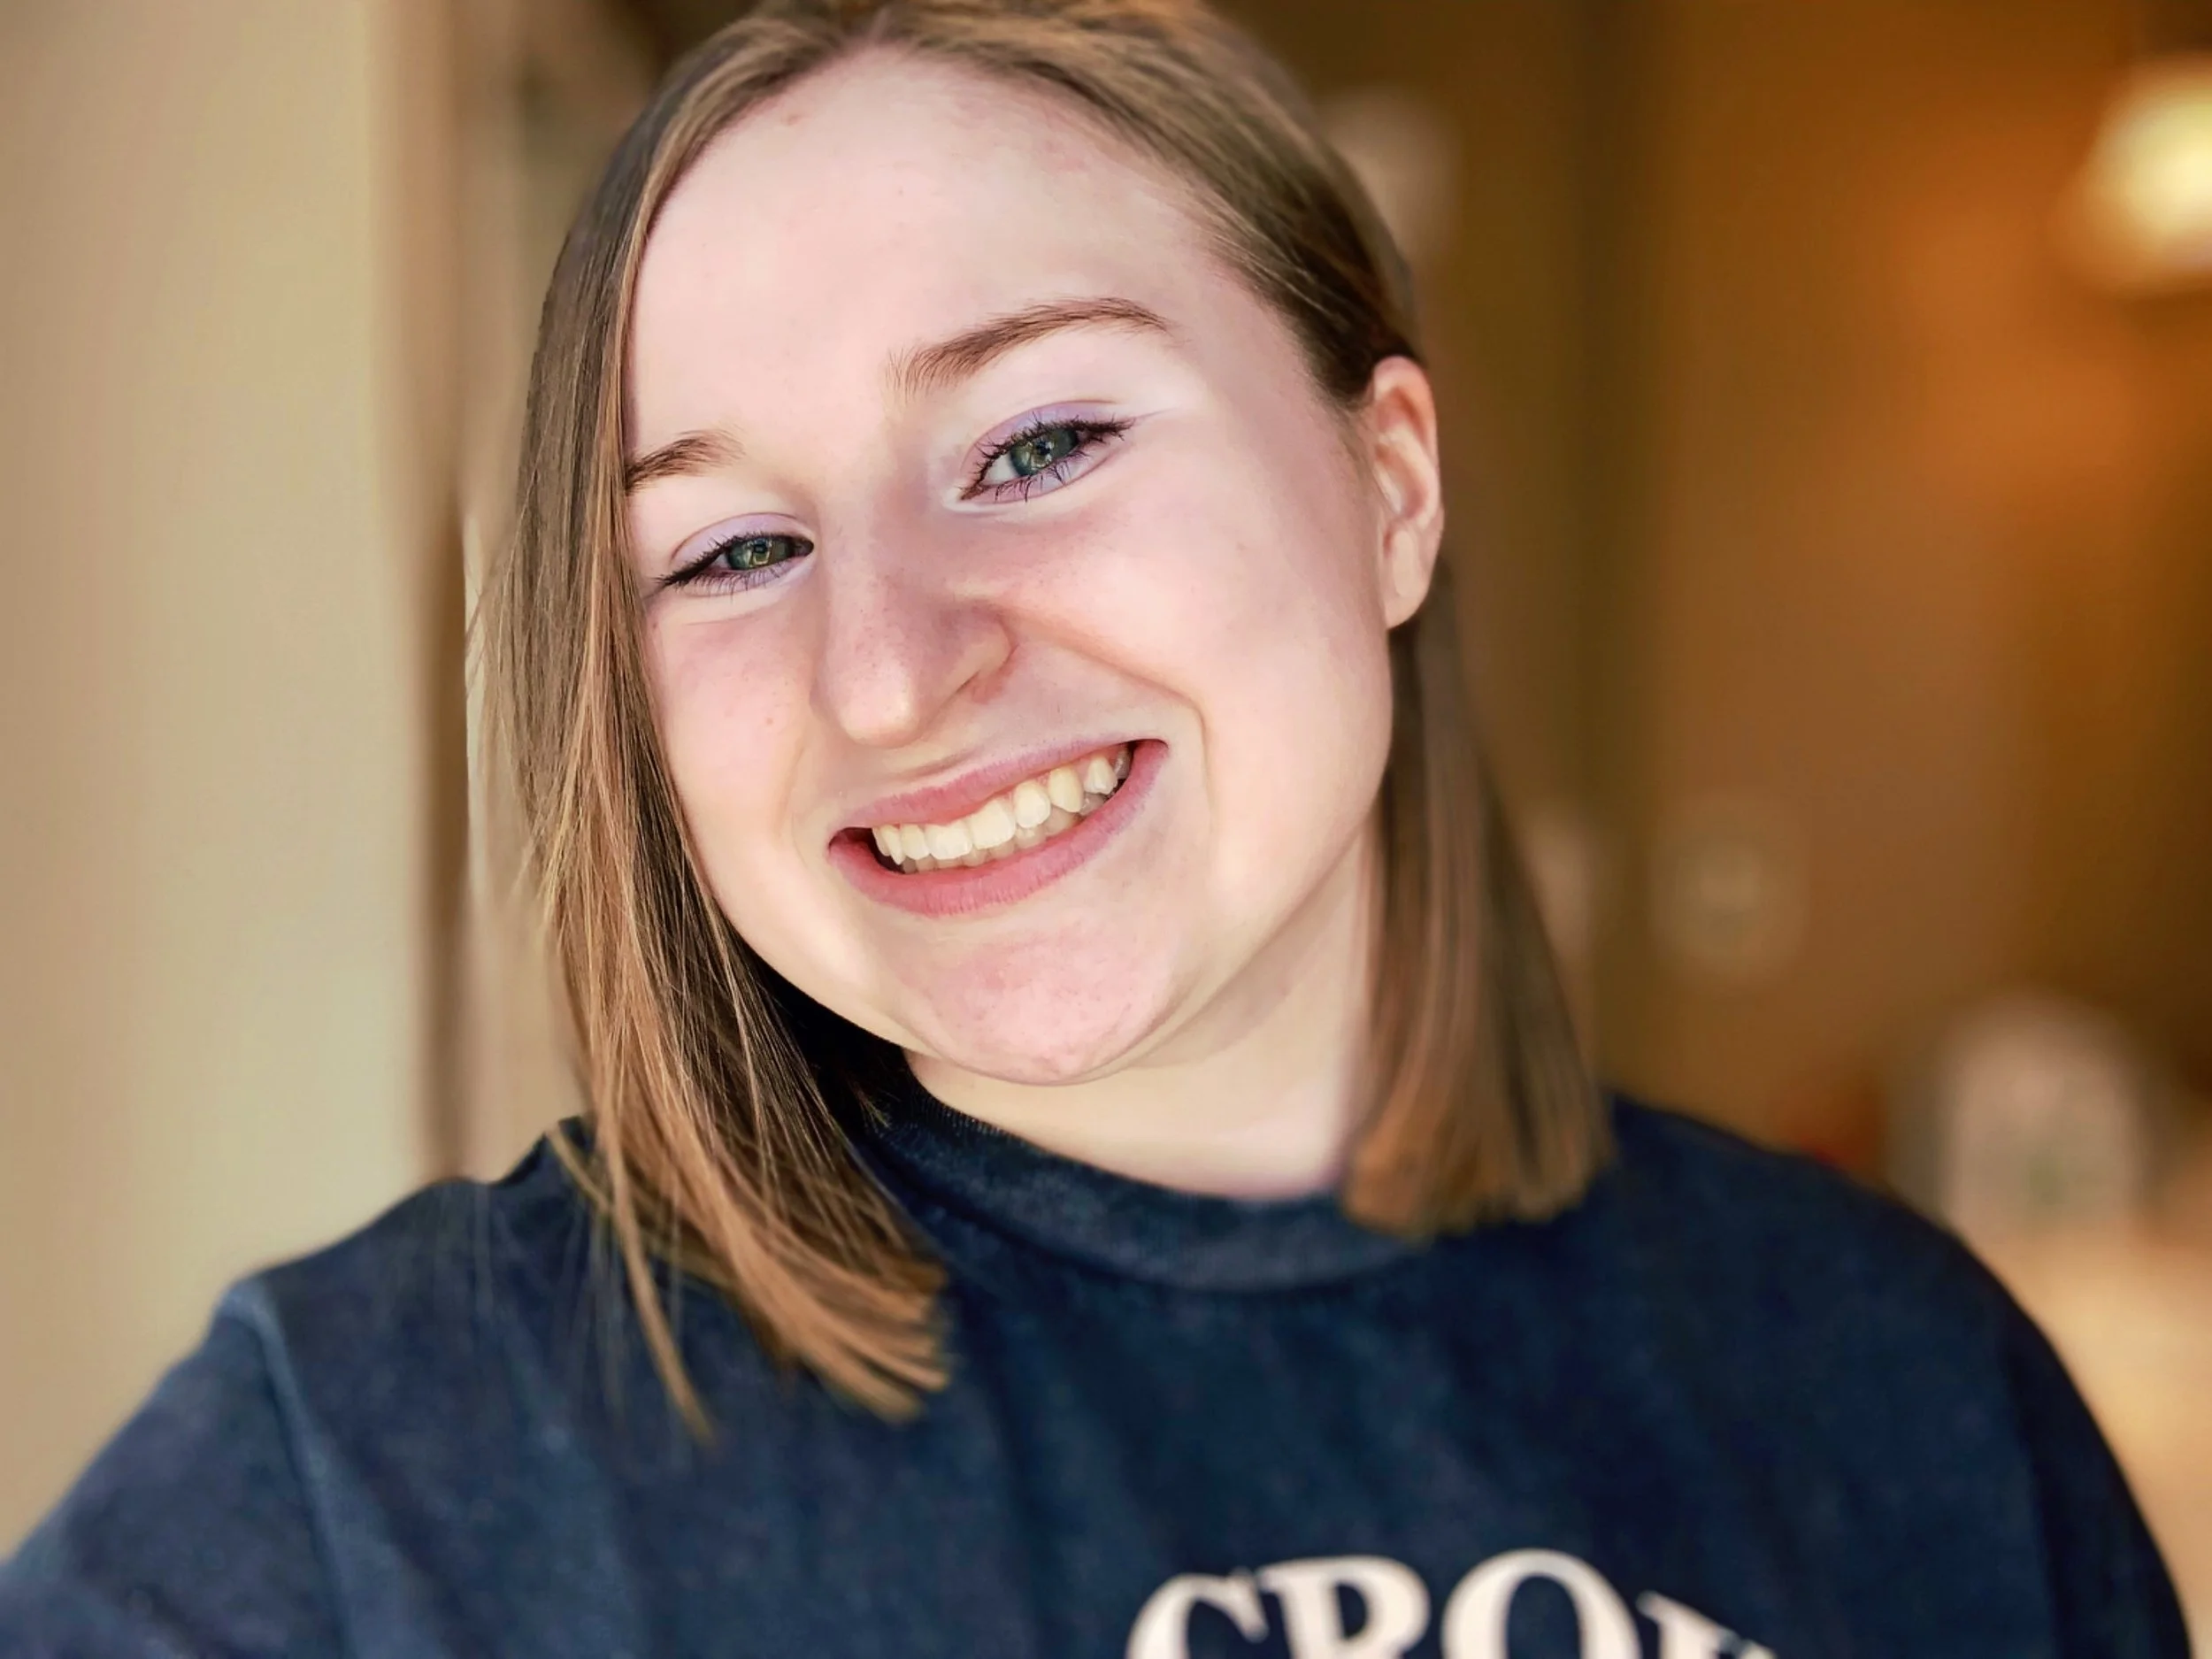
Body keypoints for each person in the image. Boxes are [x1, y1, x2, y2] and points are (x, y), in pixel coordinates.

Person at [0, 2, 2188, 1654]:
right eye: (731, 550)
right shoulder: (370, 1472)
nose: (887, 670)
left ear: (1387, 486)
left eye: (1037, 442)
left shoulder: (1898, 1384)